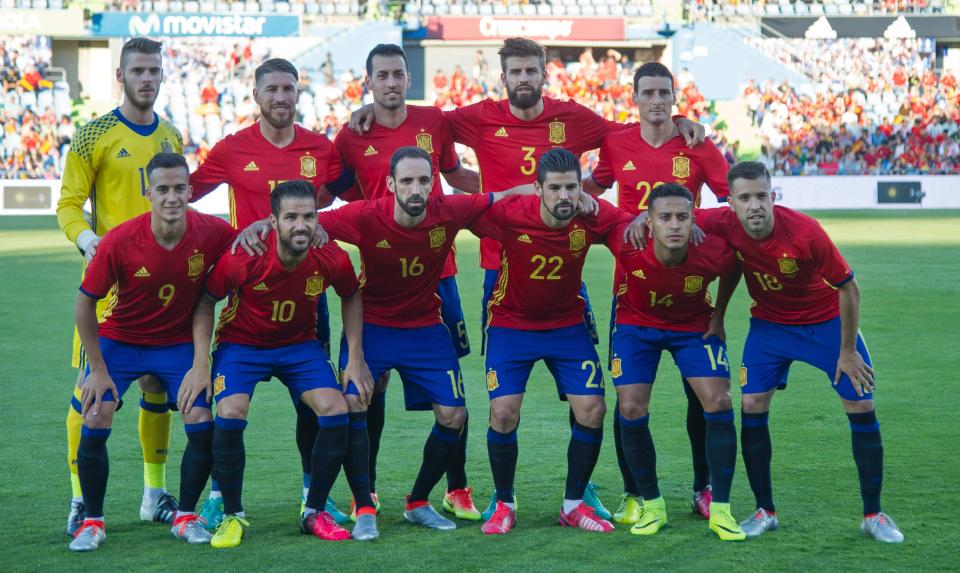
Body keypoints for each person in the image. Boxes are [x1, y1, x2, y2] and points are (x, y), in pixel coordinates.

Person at [350, 38, 706, 519]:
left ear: (544, 74)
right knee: (484, 394)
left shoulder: (575, 118)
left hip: (564, 272)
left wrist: (676, 123)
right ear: (503, 77)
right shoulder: (476, 116)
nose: (523, 78)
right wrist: (368, 112)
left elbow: (629, 133)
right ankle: (462, 489)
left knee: (585, 398)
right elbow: (426, 125)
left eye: (531, 70)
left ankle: (581, 490)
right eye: (515, 71)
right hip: (501, 270)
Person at [696, 161, 904, 543]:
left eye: (761, 195)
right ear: (731, 203)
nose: (754, 205)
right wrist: (718, 315)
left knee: (861, 403)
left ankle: (873, 515)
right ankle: (765, 511)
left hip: (826, 324)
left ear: (773, 196)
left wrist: (846, 351)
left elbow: (849, 288)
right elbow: (674, 216)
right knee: (752, 403)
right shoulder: (724, 224)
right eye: (745, 198)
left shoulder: (806, 232)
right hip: (771, 327)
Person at [189, 57, 357, 527]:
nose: (281, 96)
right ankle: (221, 497)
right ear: (256, 96)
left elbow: (355, 187)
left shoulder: (320, 148)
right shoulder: (231, 148)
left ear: (298, 94)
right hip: (248, 289)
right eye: (272, 89)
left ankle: (312, 491)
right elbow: (186, 195)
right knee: (231, 405)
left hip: (305, 290)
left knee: (313, 402)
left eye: (289, 88)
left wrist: (361, 121)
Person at [332, 44, 481, 521]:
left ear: (407, 79)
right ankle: (367, 490)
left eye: (399, 74)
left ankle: (456, 487)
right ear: (369, 80)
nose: (392, 82)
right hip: (380, 278)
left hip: (441, 275)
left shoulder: (435, 121)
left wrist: (526, 190)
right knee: (367, 389)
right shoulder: (351, 136)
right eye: (383, 75)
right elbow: (338, 193)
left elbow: (457, 174)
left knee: (451, 387)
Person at [187, 181, 377, 548]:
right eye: (291, 217)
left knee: (336, 409)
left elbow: (352, 295)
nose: (301, 225)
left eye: (308, 216)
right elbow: (206, 302)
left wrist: (355, 357)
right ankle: (232, 515)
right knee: (231, 409)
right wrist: (200, 364)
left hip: (298, 346)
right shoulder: (245, 256)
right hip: (241, 345)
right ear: (272, 221)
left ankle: (314, 510)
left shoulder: (330, 255)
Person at [583, 61, 730, 524]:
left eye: (664, 92)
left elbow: (731, 199)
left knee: (701, 398)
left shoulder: (697, 145)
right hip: (632, 289)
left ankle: (704, 488)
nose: (657, 100)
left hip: (689, 290)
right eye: (648, 92)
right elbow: (597, 185)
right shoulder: (615, 141)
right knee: (628, 399)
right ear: (635, 97)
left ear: (674, 97)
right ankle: (634, 493)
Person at [67, 153, 235, 552]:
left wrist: (200, 363)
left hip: (175, 343)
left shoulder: (213, 232)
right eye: (163, 190)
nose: (172, 197)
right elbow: (84, 303)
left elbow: (245, 243)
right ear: (149, 193)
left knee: (201, 415)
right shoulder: (122, 240)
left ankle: (186, 516)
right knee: (96, 409)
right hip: (121, 339)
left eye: (180, 189)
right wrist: (97, 369)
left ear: (191, 191)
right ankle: (91, 521)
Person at [469, 148, 634, 536]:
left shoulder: (590, 215)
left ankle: (573, 504)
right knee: (504, 412)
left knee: (592, 409)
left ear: (582, 189)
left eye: (572, 188)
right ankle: (504, 503)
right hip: (511, 324)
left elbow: (633, 225)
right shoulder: (510, 214)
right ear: (538, 188)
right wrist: (512, 191)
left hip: (566, 325)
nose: (564, 196)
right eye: (554, 188)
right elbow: (461, 209)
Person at [56, 37, 183, 536]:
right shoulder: (94, 136)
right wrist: (88, 240)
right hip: (111, 290)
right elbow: (68, 204)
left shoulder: (171, 136)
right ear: (121, 76)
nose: (146, 78)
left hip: (165, 292)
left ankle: (154, 494)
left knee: (157, 387)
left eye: (153, 70)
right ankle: (79, 500)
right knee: (91, 393)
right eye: (138, 71)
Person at [606, 183, 743, 541]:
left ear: (693, 218)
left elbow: (733, 269)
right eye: (664, 217)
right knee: (631, 407)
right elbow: (593, 214)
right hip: (636, 326)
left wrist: (720, 315)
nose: (674, 225)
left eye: (683, 217)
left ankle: (721, 509)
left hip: (692, 326)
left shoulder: (712, 250)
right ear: (648, 222)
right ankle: (652, 504)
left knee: (719, 400)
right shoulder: (625, 241)